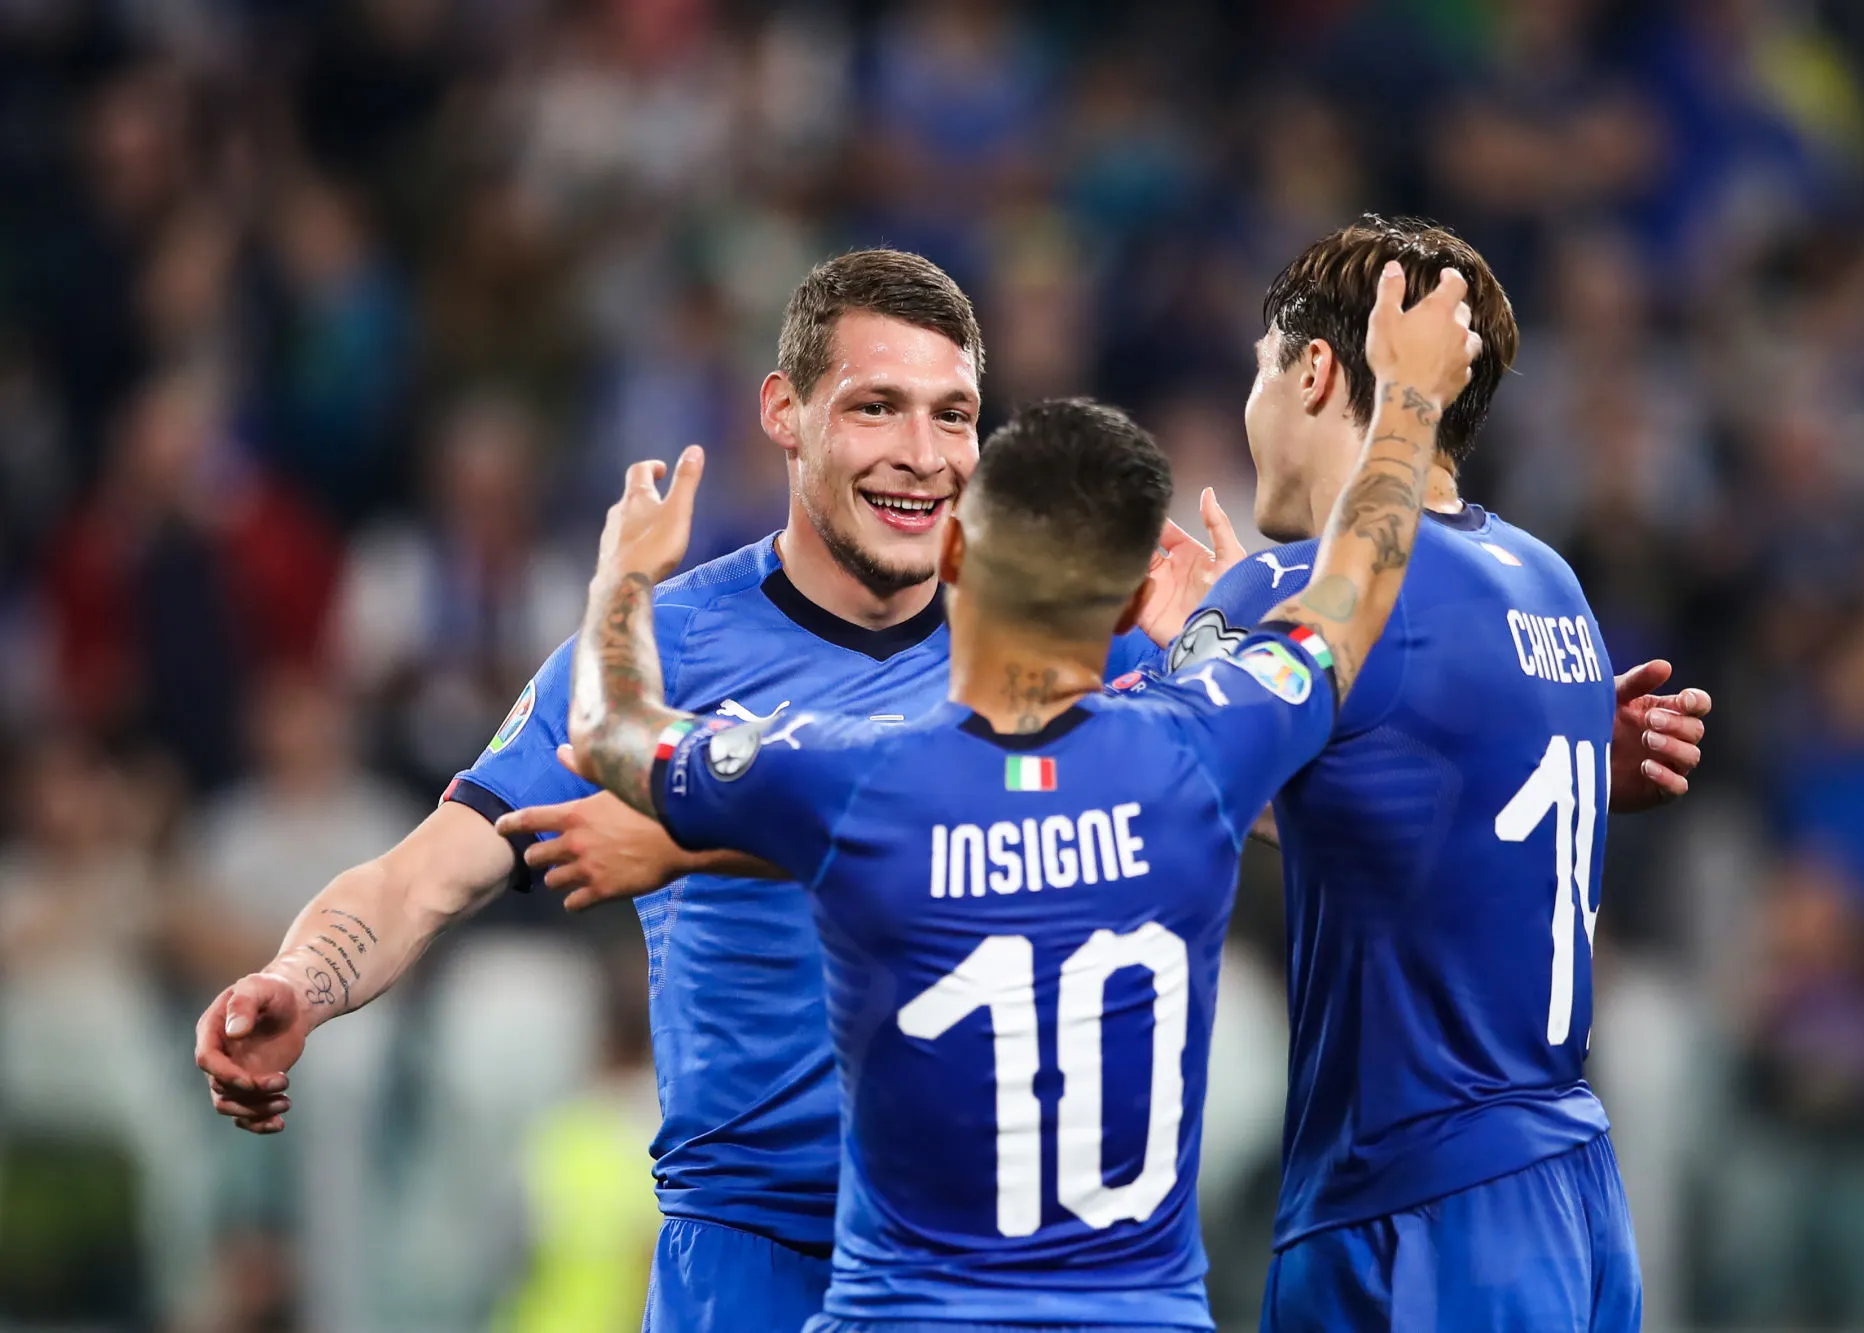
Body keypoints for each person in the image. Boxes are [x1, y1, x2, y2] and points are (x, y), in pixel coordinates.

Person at [193, 248, 1159, 1333]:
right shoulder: (660, 649)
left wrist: (1211, 634)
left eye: (953, 415)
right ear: (784, 412)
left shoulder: (1069, 634)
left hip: (1003, 1255)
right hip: (751, 1260)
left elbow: (1247, 799)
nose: (922, 455)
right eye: (876, 407)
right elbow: (421, 875)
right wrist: (299, 980)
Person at [559, 261, 1480, 1330]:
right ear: (1131, 603)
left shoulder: (851, 780)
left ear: (952, 548)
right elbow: (1353, 588)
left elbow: (607, 730)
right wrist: (1405, 406)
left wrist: (623, 576)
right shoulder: (1208, 746)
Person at [1148, 216, 1709, 1332]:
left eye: (1261, 370)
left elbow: (1162, 792)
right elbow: (1380, 808)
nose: (1252, 408)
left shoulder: (1286, 592)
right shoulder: (1547, 580)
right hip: (1570, 1197)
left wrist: (1204, 645)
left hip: (1412, 1212)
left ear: (1314, 371)